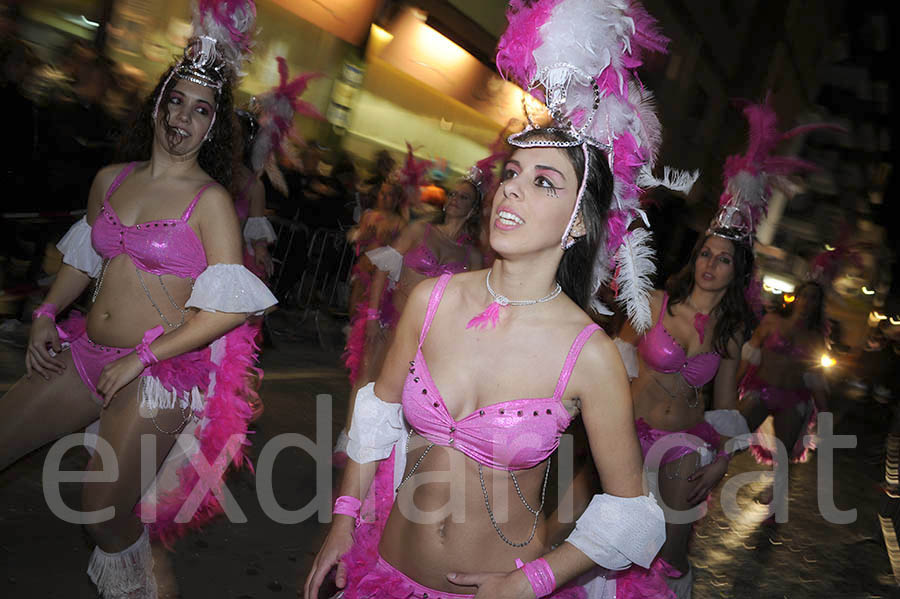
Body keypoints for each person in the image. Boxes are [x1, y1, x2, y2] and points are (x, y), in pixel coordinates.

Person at [0, 2, 276, 597]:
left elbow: (230, 306)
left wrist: (144, 358)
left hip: (160, 372)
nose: (183, 117)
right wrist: (47, 314)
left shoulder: (210, 203)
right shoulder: (112, 178)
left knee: (101, 508)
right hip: (86, 352)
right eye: (175, 101)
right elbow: (84, 256)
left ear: (212, 126)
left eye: (201, 111)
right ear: (157, 103)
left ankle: (145, 584)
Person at [337, 167, 484, 454]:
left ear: (474, 208)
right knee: (370, 380)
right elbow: (382, 269)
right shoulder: (421, 230)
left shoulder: (473, 256)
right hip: (392, 321)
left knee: (402, 395)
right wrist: (372, 316)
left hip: (430, 339)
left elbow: (471, 304)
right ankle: (352, 441)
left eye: (463, 197)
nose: (454, 199)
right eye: (452, 193)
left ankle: (384, 453)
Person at [738, 281, 829, 488]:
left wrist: (824, 413)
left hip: (793, 399)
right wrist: (730, 390)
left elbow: (816, 378)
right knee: (734, 439)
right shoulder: (771, 321)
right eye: (804, 295)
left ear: (818, 305)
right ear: (796, 298)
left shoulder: (816, 339)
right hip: (761, 391)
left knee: (783, 459)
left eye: (814, 298)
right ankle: (704, 485)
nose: (807, 301)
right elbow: (749, 356)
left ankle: (773, 507)